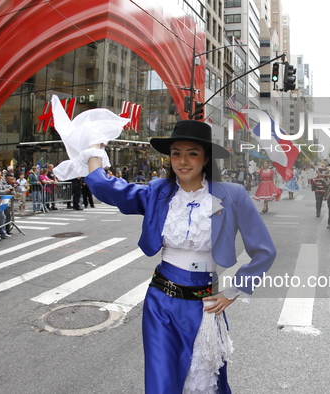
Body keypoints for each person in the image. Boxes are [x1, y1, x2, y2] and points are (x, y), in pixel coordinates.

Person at [80, 120, 276, 393]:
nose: (183, 161)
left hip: (204, 305)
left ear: (206, 158)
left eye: (192, 153)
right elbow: (108, 189)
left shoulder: (232, 195)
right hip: (160, 304)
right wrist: (93, 149)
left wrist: (234, 291)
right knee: (161, 384)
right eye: (176, 153)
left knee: (202, 384)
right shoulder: (158, 192)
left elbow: (265, 251)